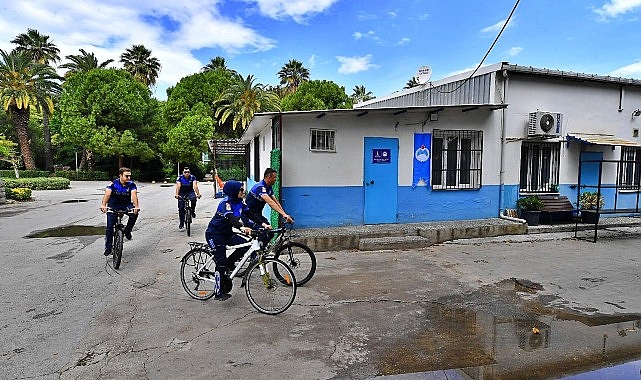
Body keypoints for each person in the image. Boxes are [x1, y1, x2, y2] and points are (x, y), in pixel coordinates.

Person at [205, 180, 270, 300]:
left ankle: (229, 264)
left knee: (245, 246)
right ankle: (218, 292)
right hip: (214, 234)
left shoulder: (240, 202)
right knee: (221, 262)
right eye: (240, 189)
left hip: (227, 233)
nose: (243, 191)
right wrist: (242, 227)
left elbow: (250, 214)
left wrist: (263, 224)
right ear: (233, 191)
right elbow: (232, 220)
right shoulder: (225, 204)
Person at [100, 167, 140, 256]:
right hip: (113, 205)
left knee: (134, 214)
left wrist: (136, 206)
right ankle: (108, 248)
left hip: (126, 205)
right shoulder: (113, 184)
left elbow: (134, 195)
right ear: (120, 175)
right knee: (110, 227)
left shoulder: (131, 184)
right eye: (126, 176)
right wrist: (103, 205)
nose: (128, 178)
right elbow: (107, 194)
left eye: (129, 176)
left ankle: (127, 230)